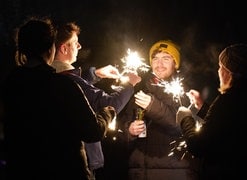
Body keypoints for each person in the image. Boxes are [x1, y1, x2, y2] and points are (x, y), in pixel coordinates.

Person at [2, 17, 110, 180]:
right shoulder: (62, 86)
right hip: (64, 171)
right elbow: (92, 131)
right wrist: (107, 113)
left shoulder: (9, 86)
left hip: (21, 171)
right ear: (50, 49)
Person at [51, 22, 141, 179]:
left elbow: (77, 87)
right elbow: (109, 105)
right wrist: (129, 84)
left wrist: (96, 74)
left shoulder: (50, 76)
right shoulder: (71, 81)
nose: (79, 46)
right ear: (64, 48)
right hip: (78, 162)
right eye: (75, 42)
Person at [176, 43, 247, 179]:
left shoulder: (227, 101)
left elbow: (198, 146)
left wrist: (185, 118)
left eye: (220, 67)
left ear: (228, 71)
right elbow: (231, 128)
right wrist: (203, 107)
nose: (218, 71)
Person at [115, 40, 200, 180]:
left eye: (166, 59)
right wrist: (129, 131)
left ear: (175, 64)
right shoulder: (139, 90)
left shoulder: (185, 92)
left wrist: (153, 106)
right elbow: (119, 131)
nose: (159, 64)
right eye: (155, 59)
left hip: (174, 172)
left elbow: (181, 127)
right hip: (139, 172)